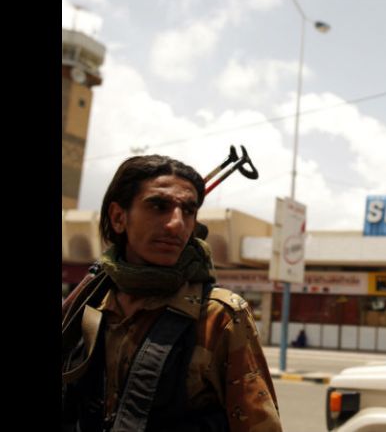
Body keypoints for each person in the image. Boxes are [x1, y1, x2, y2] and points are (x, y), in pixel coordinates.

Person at [62, 155, 282, 432]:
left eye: (188, 211)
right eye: (158, 206)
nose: (177, 224)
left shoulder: (219, 315)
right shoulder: (90, 305)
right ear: (118, 218)